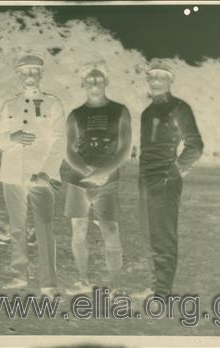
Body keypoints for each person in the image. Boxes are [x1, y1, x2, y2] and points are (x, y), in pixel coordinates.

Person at [0, 51, 66, 297]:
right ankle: (18, 274)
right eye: (24, 71)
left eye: (34, 70)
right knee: (17, 226)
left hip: (41, 175)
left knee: (44, 224)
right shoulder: (9, 104)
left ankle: (48, 282)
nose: (29, 75)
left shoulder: (53, 103)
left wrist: (46, 172)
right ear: (18, 74)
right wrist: (10, 138)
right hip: (13, 172)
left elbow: (58, 141)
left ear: (41, 74)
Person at [59, 61, 132, 296]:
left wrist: (103, 172)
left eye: (99, 79)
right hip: (78, 181)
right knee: (78, 230)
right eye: (89, 80)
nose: (94, 83)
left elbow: (125, 148)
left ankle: (116, 285)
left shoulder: (120, 111)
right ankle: (83, 280)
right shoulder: (75, 114)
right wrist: (85, 171)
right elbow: (68, 149)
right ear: (82, 83)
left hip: (107, 182)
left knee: (110, 229)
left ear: (106, 82)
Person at [138, 59, 203, 300]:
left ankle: (163, 292)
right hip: (144, 177)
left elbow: (195, 145)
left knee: (163, 235)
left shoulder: (179, 108)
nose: (156, 80)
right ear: (147, 79)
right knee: (147, 234)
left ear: (170, 80)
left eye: (161, 76)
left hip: (165, 178)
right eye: (152, 76)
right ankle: (154, 284)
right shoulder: (147, 111)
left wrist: (176, 169)